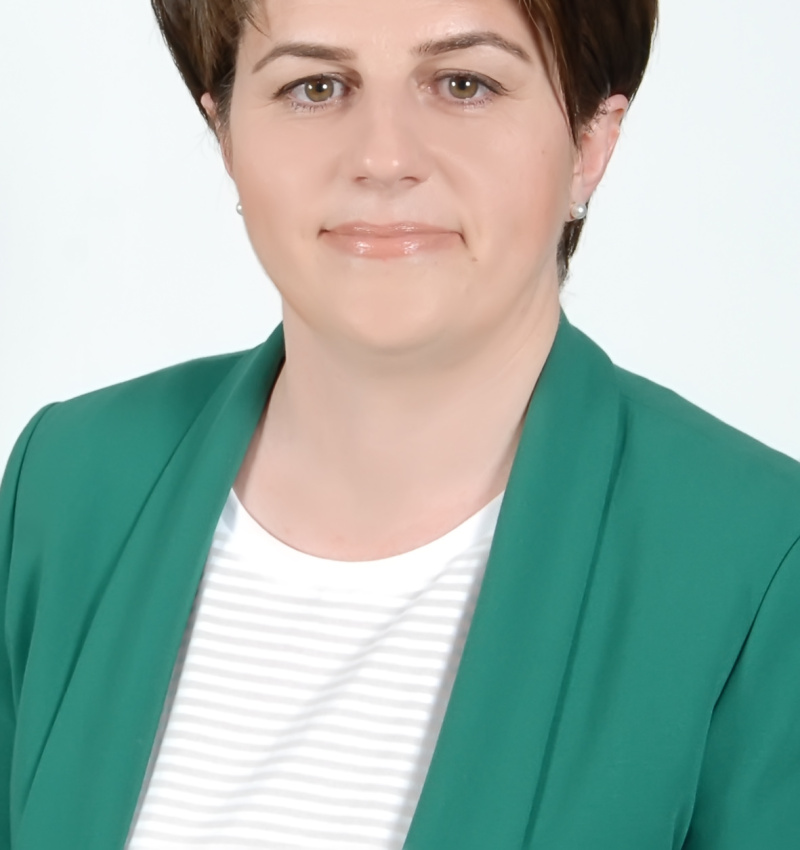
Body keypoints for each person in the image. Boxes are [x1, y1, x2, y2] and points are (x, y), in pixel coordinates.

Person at [0, 0, 798, 847]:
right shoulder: (68, 484)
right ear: (226, 135)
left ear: (590, 142)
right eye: (314, 87)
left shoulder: (757, 561)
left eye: (464, 84)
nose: (383, 158)